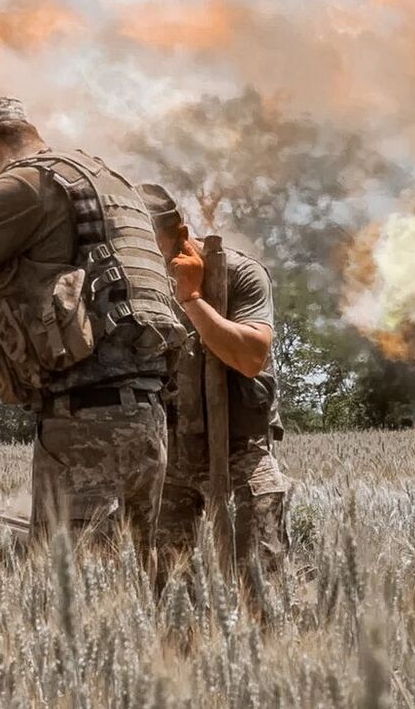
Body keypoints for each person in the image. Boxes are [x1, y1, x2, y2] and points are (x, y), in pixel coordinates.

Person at [0, 97, 185, 559]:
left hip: (85, 426)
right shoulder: (107, 180)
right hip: (146, 420)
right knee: (129, 596)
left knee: (70, 600)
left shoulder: (24, 183)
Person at [138, 183, 291, 586]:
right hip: (174, 455)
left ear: (182, 237)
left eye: (154, 246)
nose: (147, 259)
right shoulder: (140, 280)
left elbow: (250, 356)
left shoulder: (240, 273)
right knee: (166, 589)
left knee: (259, 582)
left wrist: (191, 299)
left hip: (242, 450)